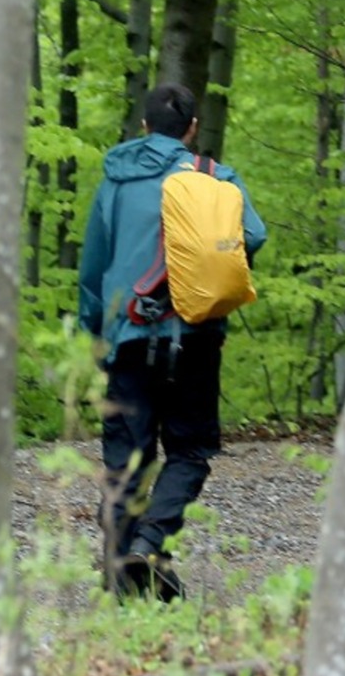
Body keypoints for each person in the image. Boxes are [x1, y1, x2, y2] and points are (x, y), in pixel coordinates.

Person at [77, 83, 267, 600]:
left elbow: (93, 269)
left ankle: (123, 569)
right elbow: (253, 235)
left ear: (143, 127)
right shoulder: (215, 177)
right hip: (195, 333)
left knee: (126, 456)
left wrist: (92, 335)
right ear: (192, 129)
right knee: (189, 448)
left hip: (128, 332)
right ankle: (151, 541)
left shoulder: (114, 181)